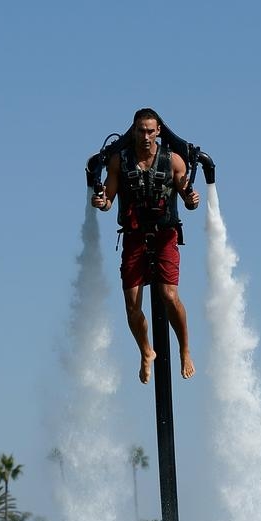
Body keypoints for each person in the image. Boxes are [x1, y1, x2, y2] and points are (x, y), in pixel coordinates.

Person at [91, 107, 200, 384]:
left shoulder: (173, 161)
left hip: (165, 236)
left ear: (158, 132)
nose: (146, 136)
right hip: (134, 236)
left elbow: (186, 196)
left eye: (151, 131)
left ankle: (185, 350)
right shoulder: (119, 162)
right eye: (141, 131)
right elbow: (108, 200)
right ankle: (145, 351)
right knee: (132, 305)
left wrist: (192, 200)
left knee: (169, 295)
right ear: (134, 131)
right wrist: (101, 201)